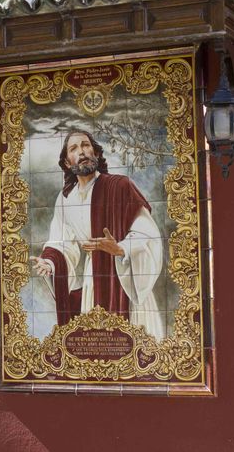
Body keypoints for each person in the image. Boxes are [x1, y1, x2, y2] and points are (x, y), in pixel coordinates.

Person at [29, 130, 166, 339]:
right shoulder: (66, 199)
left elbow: (147, 233)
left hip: (125, 279)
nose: (82, 151)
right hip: (94, 280)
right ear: (67, 163)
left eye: (85, 145)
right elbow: (62, 243)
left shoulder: (120, 186)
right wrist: (50, 262)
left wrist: (120, 248)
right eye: (74, 149)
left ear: (95, 152)